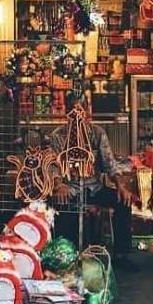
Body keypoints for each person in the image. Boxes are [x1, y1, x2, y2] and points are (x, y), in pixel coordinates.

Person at [48, 104, 136, 268]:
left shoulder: (98, 133)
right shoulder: (57, 136)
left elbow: (110, 164)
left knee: (123, 202)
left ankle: (121, 255)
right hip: (70, 188)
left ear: (89, 115)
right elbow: (53, 165)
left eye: (85, 115)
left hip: (93, 187)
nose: (81, 119)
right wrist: (58, 184)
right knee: (62, 206)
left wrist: (121, 186)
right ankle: (67, 257)